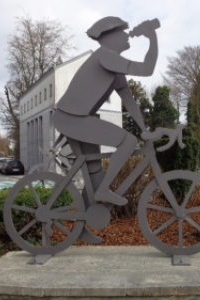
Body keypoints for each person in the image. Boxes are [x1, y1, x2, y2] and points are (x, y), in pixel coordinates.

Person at [53, 16, 159, 207]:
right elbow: (147, 69)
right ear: (109, 37)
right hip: (72, 119)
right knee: (128, 141)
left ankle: (86, 221)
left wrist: (145, 130)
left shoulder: (114, 69)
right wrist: (152, 38)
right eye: (121, 32)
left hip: (75, 119)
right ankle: (103, 191)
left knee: (94, 173)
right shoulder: (106, 57)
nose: (127, 35)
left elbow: (129, 101)